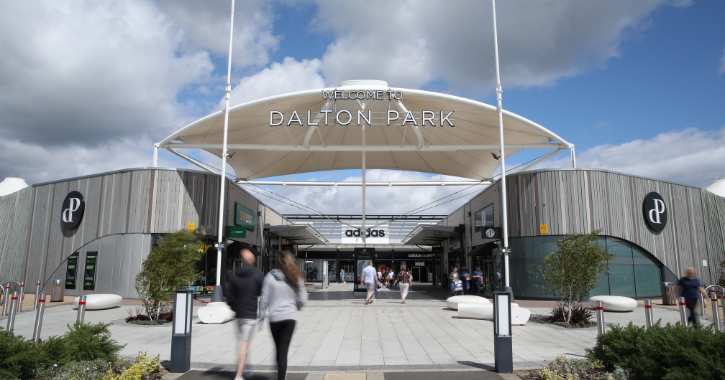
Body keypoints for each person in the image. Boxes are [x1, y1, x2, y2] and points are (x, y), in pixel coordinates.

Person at [258, 251, 308, 380]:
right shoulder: (295, 276)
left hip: (274, 318)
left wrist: (260, 320)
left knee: (278, 348)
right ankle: (281, 376)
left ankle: (279, 372)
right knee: (283, 349)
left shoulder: (269, 276)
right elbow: (303, 298)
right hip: (290, 318)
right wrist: (296, 307)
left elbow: (263, 300)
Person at [226, 246, 264, 380]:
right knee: (243, 344)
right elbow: (262, 292)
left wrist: (236, 308)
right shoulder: (258, 274)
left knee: (243, 342)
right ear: (252, 259)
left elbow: (229, 297)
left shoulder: (235, 275)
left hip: (239, 315)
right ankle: (238, 375)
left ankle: (246, 369)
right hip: (250, 315)